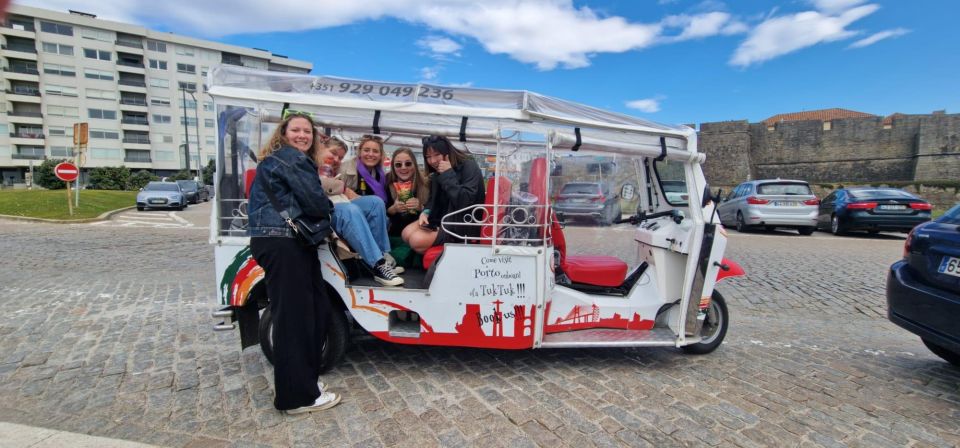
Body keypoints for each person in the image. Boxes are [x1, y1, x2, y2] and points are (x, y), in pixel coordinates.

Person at [247, 111, 341, 414]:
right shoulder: (291, 158)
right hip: (283, 242)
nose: (302, 135)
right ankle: (297, 398)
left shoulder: (280, 159)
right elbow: (315, 202)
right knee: (296, 320)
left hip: (287, 241)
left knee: (314, 310)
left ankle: (307, 384)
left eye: (307, 132)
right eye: (296, 130)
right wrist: (328, 206)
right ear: (284, 133)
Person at [314, 137, 404, 286]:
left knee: (376, 202)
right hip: (325, 211)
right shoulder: (316, 164)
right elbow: (321, 186)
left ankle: (381, 256)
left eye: (340, 157)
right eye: (333, 154)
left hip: (338, 203)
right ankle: (377, 263)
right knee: (351, 209)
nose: (337, 159)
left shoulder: (379, 174)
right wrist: (342, 187)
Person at [406, 135, 486, 254]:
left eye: (437, 155)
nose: (432, 161)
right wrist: (426, 212)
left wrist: (448, 174)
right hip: (443, 220)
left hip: (463, 225)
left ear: (447, 152)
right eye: (428, 157)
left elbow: (465, 201)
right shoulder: (437, 172)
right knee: (406, 233)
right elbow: (432, 200)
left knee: (416, 240)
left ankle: (448, 257)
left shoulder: (469, 166)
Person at [387, 147, 429, 237]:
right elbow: (381, 211)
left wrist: (421, 207)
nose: (403, 168)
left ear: (414, 165)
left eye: (408, 164)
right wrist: (393, 209)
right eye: (398, 165)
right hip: (393, 234)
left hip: (419, 233)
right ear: (393, 167)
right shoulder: (386, 182)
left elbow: (435, 211)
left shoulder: (427, 183)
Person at [341, 134, 389, 202]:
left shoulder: (381, 175)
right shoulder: (345, 168)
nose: (370, 154)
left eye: (375, 151)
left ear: (381, 155)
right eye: (366, 150)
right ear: (360, 152)